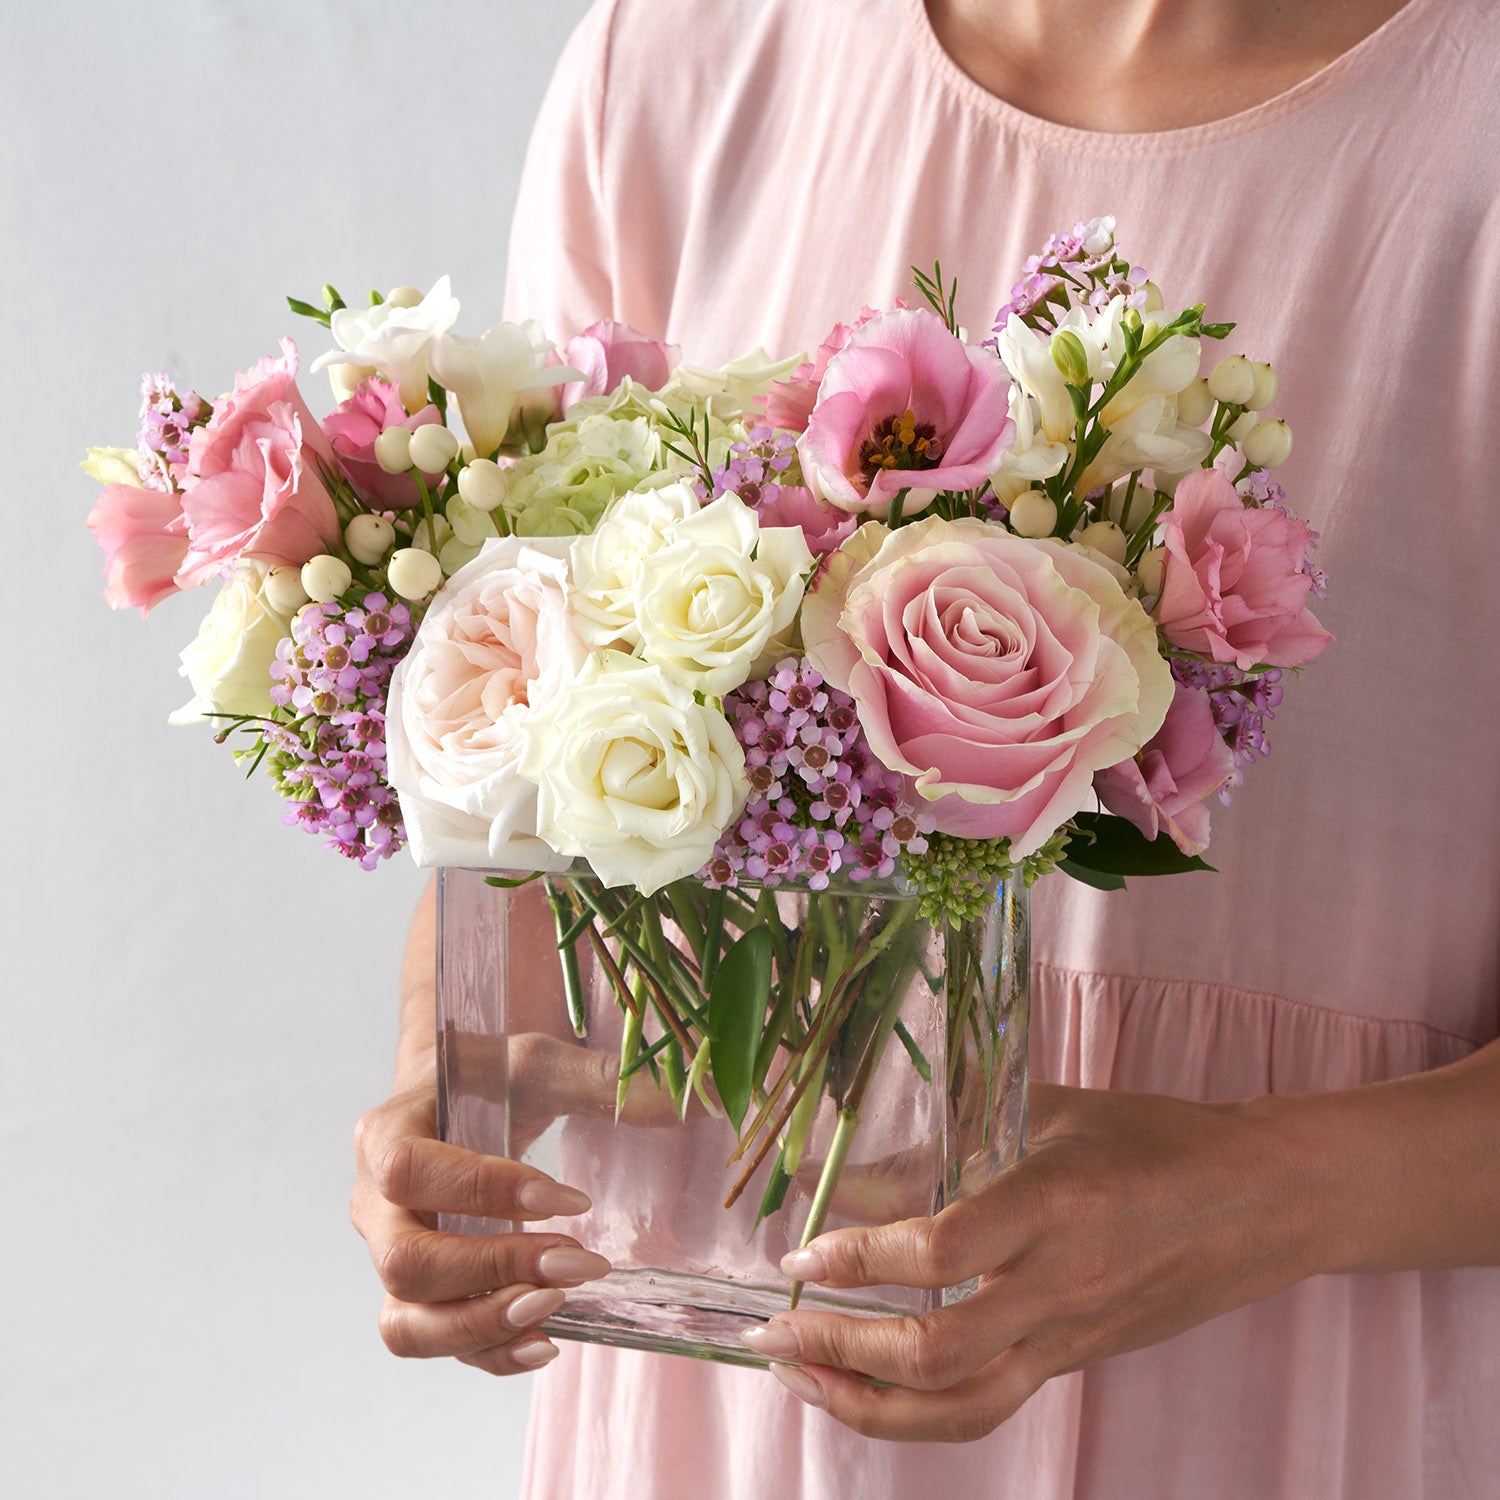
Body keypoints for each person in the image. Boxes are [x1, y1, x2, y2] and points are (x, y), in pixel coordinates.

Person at [348, 0, 1500, 1494]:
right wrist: (444, 1083)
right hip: (726, 1401)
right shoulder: (676, 69)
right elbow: (527, 744)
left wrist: (1247, 1200)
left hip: (1281, 1402)